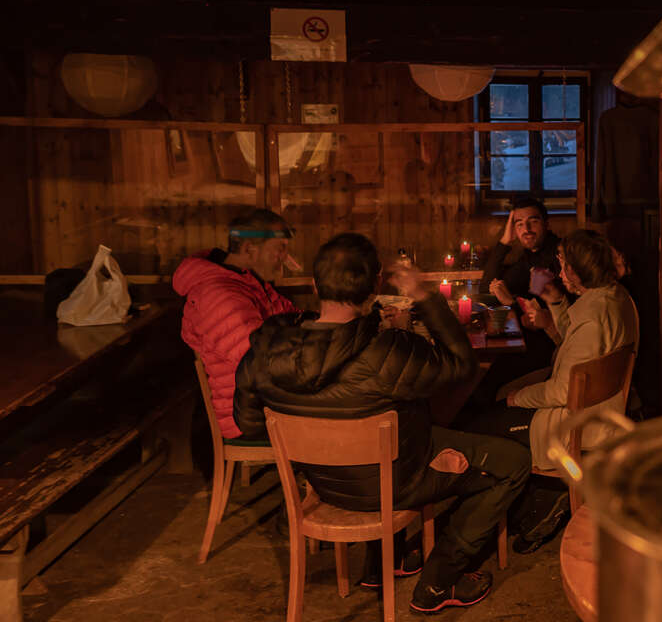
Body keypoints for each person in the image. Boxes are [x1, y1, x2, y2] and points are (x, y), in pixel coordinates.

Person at [233, 233, 530, 614]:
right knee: (513, 463)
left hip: (324, 486)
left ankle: (383, 562)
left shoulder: (266, 349)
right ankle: (439, 581)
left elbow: (249, 423)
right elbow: (461, 366)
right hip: (397, 483)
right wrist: (424, 296)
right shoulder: (387, 350)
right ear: (375, 286)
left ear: (314, 284)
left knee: (401, 435)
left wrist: (312, 453)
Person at [467, 229, 639, 551]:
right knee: (501, 395)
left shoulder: (593, 318)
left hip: (578, 425)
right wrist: (556, 304)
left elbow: (562, 391)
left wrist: (517, 399)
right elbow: (574, 347)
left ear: (576, 271)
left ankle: (520, 506)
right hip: (603, 410)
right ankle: (534, 498)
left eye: (563, 266)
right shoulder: (615, 298)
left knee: (480, 428)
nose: (560, 273)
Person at [173, 208, 298, 440]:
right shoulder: (218, 295)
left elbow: (293, 317)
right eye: (280, 249)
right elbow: (258, 359)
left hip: (264, 401)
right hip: (247, 415)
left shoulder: (247, 281)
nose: (285, 257)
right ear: (249, 250)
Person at [464, 197, 563, 412]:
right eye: (519, 224)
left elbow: (539, 319)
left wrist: (510, 301)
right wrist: (505, 241)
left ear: (546, 224)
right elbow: (487, 287)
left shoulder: (557, 257)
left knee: (480, 387)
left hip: (546, 352)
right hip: (527, 344)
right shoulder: (529, 258)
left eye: (533, 221)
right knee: (477, 381)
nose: (526, 229)